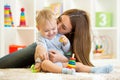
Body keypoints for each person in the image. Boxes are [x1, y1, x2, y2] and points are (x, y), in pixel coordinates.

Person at [0, 9, 113, 74]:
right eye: (58, 20)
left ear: (71, 33)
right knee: (3, 64)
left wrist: (63, 58)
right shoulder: (46, 35)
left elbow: (73, 59)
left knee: (77, 65)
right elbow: (41, 42)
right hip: (43, 57)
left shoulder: (67, 41)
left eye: (63, 27)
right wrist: (39, 48)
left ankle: (95, 70)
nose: (55, 28)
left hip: (60, 63)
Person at [34, 9, 75, 74]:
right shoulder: (41, 37)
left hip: (62, 62)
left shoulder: (60, 36)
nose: (51, 32)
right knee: (44, 63)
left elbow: (67, 52)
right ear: (38, 28)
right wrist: (38, 62)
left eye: (53, 28)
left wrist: (66, 43)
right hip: (50, 63)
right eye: (47, 31)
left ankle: (92, 69)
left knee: (77, 65)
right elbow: (41, 50)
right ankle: (64, 71)